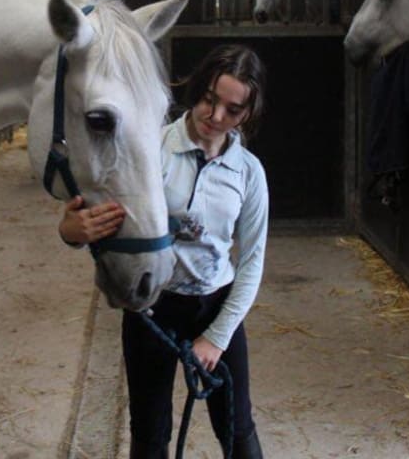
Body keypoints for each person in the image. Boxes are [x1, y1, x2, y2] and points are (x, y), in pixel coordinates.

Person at [60, 43, 270, 459]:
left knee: (237, 428)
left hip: (215, 304)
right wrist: (71, 230)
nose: (216, 116)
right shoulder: (148, 151)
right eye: (209, 99)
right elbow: (94, 221)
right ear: (196, 88)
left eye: (232, 110)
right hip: (152, 306)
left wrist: (217, 337)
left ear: (247, 113)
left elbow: (251, 262)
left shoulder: (248, 172)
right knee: (149, 432)